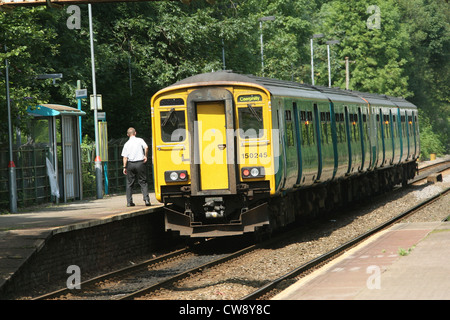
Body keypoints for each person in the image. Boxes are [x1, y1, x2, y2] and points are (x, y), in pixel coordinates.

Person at [121, 127, 151, 207]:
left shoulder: (126, 144)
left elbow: (125, 157)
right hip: (140, 163)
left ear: (128, 134)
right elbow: (146, 147)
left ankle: (129, 202)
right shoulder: (140, 140)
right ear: (135, 133)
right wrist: (145, 156)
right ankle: (146, 199)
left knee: (129, 183)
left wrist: (124, 167)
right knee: (143, 182)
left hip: (130, 164)